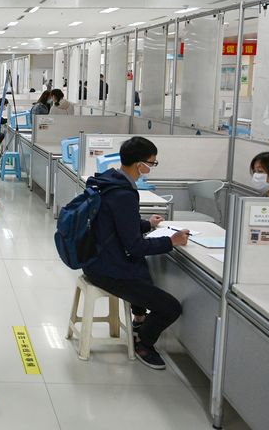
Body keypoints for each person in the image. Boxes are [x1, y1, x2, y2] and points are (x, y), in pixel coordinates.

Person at [82, 136, 189, 370]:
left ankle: (139, 320)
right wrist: (171, 241)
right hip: (107, 270)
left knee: (141, 269)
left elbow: (118, 225)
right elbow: (135, 247)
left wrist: (147, 224)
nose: (151, 167)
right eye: (151, 162)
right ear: (139, 163)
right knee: (171, 307)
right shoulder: (124, 194)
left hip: (95, 260)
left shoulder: (109, 181)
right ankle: (143, 342)